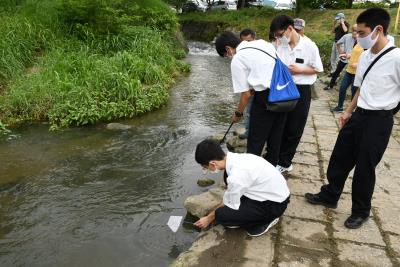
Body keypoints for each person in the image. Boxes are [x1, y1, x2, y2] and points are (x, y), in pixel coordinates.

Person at [305, 8, 400, 229]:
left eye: (361, 32)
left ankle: (361, 211)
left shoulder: (396, 58)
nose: (357, 36)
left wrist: (389, 113)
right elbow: (362, 87)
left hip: (379, 120)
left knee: (365, 168)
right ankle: (330, 194)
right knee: (340, 157)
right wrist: (348, 111)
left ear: (378, 30)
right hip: (359, 115)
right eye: (355, 32)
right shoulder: (365, 55)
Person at [215, 31, 287, 166]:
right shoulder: (262, 43)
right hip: (283, 93)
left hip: (265, 99)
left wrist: (238, 114)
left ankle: (250, 174)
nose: (229, 57)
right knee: (275, 138)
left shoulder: (238, 58)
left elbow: (246, 94)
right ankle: (271, 169)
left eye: (226, 55)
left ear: (228, 49)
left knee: (255, 141)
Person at [193, 139, 290, 237]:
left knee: (222, 216)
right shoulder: (237, 158)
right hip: (271, 193)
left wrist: (208, 218)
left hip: (275, 205)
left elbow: (228, 203)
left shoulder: (236, 176)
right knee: (228, 184)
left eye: (205, 167)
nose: (207, 170)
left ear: (213, 164)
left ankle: (267, 220)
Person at [269, 15, 323, 173]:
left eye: (280, 34)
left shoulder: (309, 46)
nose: (278, 38)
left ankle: (285, 162)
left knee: (295, 127)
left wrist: (300, 70)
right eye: (277, 36)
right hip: (283, 87)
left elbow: (317, 69)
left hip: (301, 90)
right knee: (280, 125)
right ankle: (275, 156)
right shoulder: (281, 45)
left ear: (290, 28)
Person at [330, 41, 364, 112]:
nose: (356, 34)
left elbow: (368, 59)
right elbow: (354, 54)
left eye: (358, 32)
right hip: (349, 70)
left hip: (357, 73)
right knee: (342, 88)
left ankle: (353, 110)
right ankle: (340, 107)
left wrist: (358, 64)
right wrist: (348, 55)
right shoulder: (357, 43)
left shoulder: (367, 46)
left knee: (354, 91)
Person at [324, 24, 357, 91]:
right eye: (353, 30)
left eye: (356, 31)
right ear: (351, 30)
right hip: (345, 58)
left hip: (355, 60)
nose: (354, 32)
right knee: (337, 71)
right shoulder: (346, 36)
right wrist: (341, 52)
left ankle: (352, 91)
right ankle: (330, 85)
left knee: (354, 75)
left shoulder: (361, 39)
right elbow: (338, 43)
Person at [239, 28, 256, 139]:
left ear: (254, 39)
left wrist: (237, 113)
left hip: (260, 89)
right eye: (244, 42)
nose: (246, 44)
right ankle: (248, 130)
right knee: (249, 111)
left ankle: (251, 132)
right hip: (250, 89)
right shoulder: (242, 55)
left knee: (252, 111)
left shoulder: (260, 51)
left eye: (249, 41)